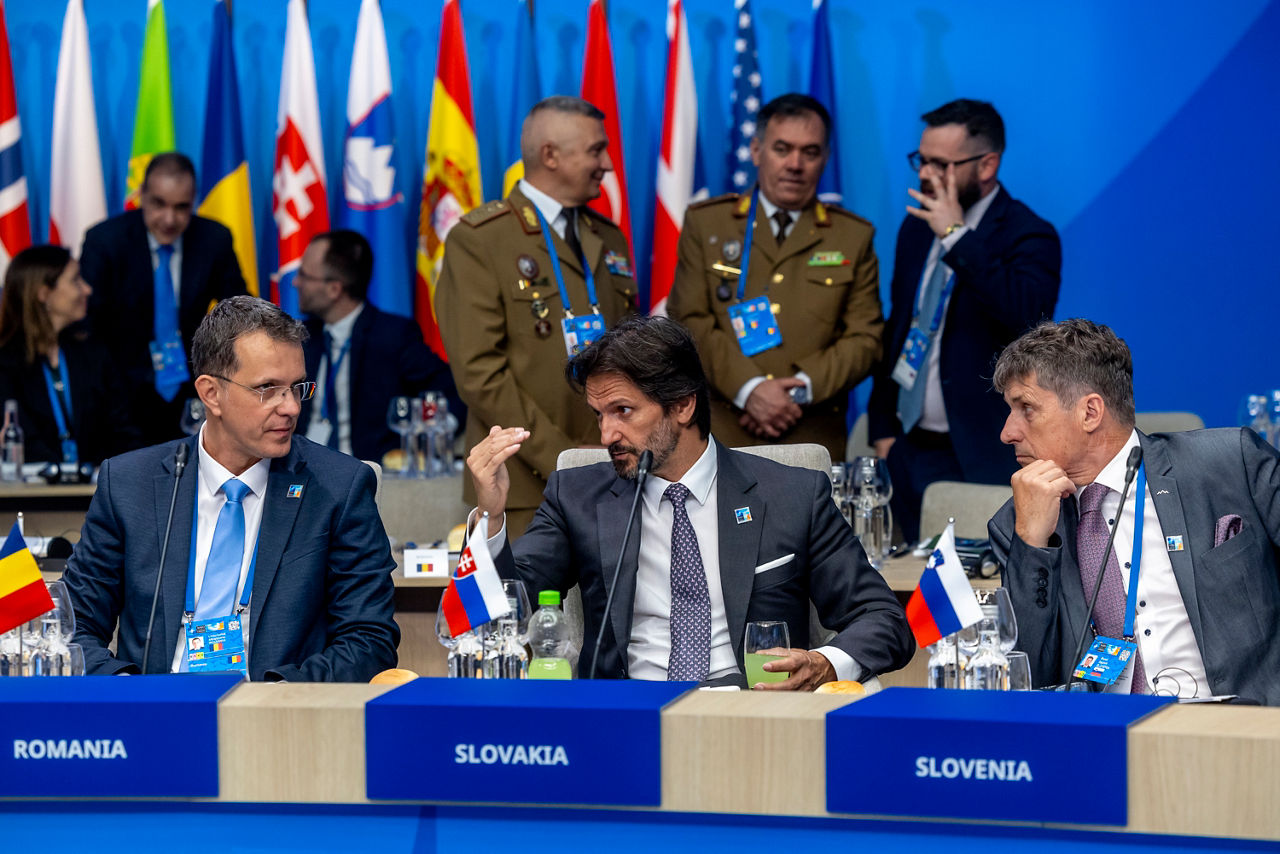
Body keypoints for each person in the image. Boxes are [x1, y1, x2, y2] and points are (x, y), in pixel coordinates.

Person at [467, 316, 913, 688]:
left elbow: (883, 619)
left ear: (682, 405)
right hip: (625, 718)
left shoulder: (791, 494)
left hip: (753, 715)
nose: (606, 436)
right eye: (598, 415)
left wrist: (826, 663)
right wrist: (490, 516)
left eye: (623, 411)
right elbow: (500, 613)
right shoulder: (579, 495)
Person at [63, 296, 399, 681]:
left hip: (276, 718)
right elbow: (73, 627)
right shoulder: (129, 484)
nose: (290, 407)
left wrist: (274, 697)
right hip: (153, 715)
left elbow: (369, 640)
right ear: (210, 393)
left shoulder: (338, 486)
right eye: (267, 389)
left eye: (297, 387)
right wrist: (128, 691)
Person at [987, 319, 1280, 704]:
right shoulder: (1016, 524)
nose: (1008, 432)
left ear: (1090, 412)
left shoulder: (1229, 463)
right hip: (1106, 736)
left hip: (1243, 728)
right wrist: (1032, 545)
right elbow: (1024, 676)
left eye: (1026, 408)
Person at [435, 95, 638, 537]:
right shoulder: (481, 239)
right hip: (523, 488)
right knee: (529, 607)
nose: (606, 163)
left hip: (617, 473)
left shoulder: (609, 238)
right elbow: (480, 375)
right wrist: (566, 460)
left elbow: (635, 354)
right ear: (550, 155)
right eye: (595, 150)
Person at [868, 99, 1061, 543]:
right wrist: (883, 431)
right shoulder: (915, 229)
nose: (925, 174)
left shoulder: (1029, 233)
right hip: (908, 450)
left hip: (982, 450)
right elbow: (901, 328)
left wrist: (957, 237)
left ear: (987, 164)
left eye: (940, 164)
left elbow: (1026, 316)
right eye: (921, 160)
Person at [667, 93, 882, 463]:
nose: (795, 164)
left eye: (810, 152)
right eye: (782, 149)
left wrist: (796, 393)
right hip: (721, 435)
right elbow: (689, 321)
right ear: (755, 151)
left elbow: (866, 338)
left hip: (812, 435)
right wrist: (749, 389)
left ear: (825, 158)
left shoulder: (852, 236)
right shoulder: (707, 224)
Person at [79, 152, 248, 447]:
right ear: (141, 195)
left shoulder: (213, 239)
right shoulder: (105, 241)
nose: (169, 219)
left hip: (191, 391)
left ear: (194, 201)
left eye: (181, 207)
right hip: (120, 392)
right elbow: (88, 326)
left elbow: (241, 311)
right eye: (159, 204)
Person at [292, 229, 463, 463]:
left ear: (334, 289)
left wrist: (425, 440)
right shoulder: (300, 337)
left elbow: (453, 394)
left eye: (304, 275)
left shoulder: (392, 336)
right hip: (301, 470)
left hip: (364, 474)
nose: (295, 282)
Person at [0, 245, 141, 466]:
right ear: (44, 293)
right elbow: (22, 440)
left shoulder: (94, 354)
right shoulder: (5, 363)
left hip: (97, 489)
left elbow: (124, 431)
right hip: (30, 495)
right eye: (76, 280)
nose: (87, 290)